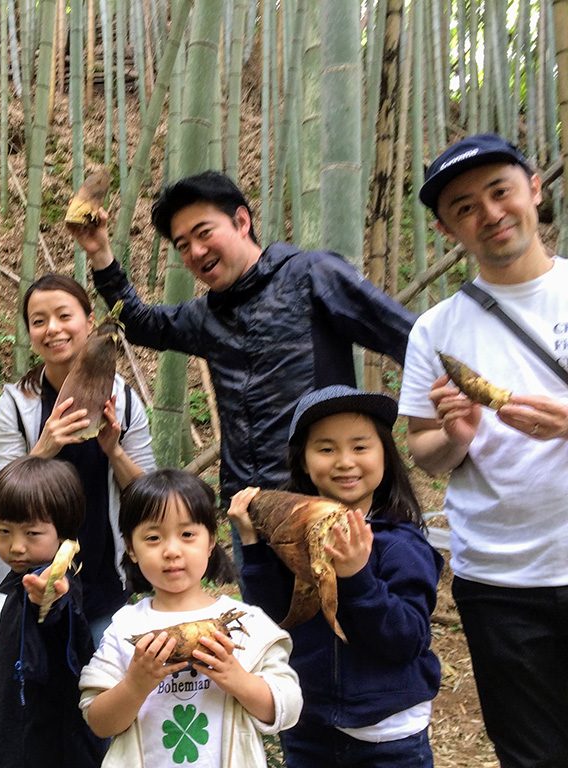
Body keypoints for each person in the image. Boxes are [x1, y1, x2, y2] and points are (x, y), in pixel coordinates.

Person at [68, 171, 415, 569]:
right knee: (268, 628)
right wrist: (99, 252)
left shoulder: (311, 276)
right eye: (183, 245)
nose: (195, 252)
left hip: (321, 501)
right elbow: (140, 321)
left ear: (241, 222)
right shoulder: (206, 316)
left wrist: (435, 418)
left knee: (340, 621)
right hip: (248, 509)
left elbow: (404, 336)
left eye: (204, 233)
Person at [399, 133, 568, 767]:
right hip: (498, 580)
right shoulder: (436, 329)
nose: (490, 213)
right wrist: (457, 436)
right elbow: (425, 452)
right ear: (447, 228)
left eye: (501, 192)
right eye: (466, 206)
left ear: (534, 190)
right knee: (530, 754)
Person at [228, 386, 442, 767]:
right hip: (311, 729)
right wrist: (254, 545)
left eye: (360, 447)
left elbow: (405, 639)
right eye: (326, 449)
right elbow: (275, 618)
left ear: (385, 456)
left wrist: (357, 577)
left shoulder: (400, 544)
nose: (345, 461)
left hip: (388, 738)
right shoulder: (295, 535)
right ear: (304, 463)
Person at [79, 469, 302, 767]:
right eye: (153, 537)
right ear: (131, 549)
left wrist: (237, 679)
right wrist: (135, 685)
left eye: (187, 535)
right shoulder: (125, 628)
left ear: (210, 541)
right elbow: (99, 722)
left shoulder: (247, 623)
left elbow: (288, 707)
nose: (172, 551)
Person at [0, 274, 156, 644]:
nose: (53, 329)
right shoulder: (16, 405)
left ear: (89, 320)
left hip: (104, 580)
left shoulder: (123, 400)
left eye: (64, 316)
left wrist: (114, 451)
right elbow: (2, 499)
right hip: (35, 581)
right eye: (39, 321)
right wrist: (44, 447)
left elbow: (149, 494)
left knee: (102, 693)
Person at [0, 455, 107, 768]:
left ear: (63, 533)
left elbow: (60, 623)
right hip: (6, 715)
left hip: (46, 737)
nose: (16, 547)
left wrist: (49, 604)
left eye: (32, 534)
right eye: (3, 531)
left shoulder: (55, 582)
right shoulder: (13, 580)